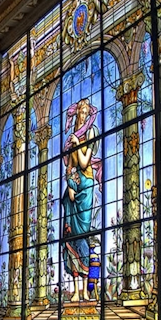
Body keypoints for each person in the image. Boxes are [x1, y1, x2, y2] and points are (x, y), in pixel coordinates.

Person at [62, 98, 102, 302]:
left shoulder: (91, 132)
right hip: (74, 188)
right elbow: (69, 166)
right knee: (71, 241)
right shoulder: (71, 137)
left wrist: (77, 144)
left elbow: (85, 162)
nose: (82, 114)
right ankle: (77, 291)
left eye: (86, 111)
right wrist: (69, 183)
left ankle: (87, 291)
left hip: (86, 188)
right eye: (80, 110)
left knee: (83, 238)